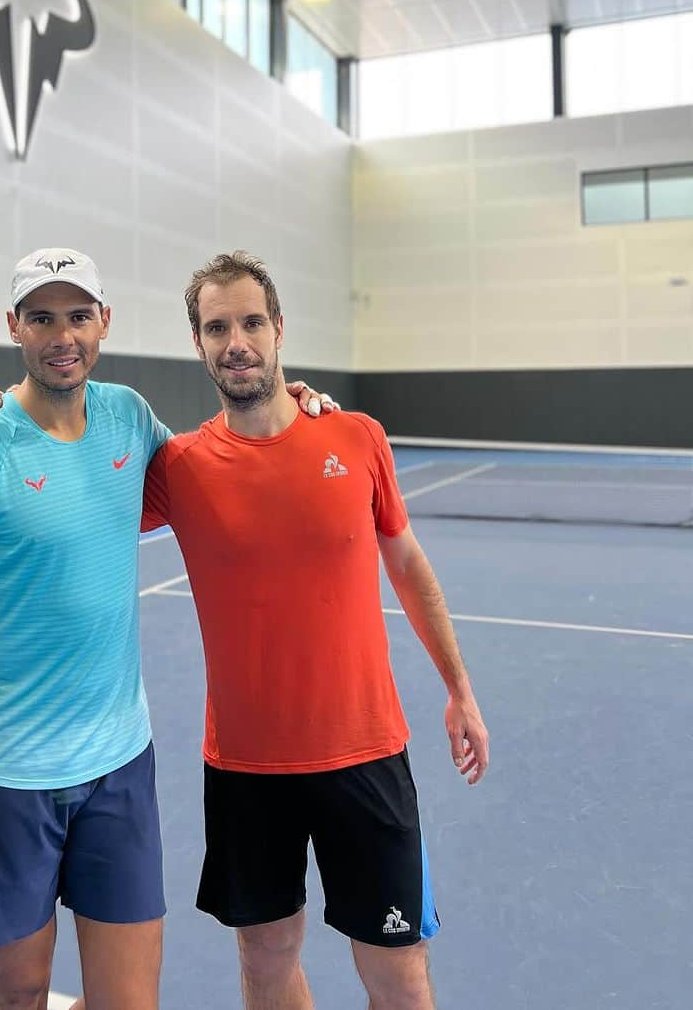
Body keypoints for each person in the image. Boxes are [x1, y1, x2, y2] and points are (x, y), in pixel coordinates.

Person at [0, 248, 333, 1010]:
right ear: (14, 328)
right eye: (41, 317)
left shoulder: (131, 419)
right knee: (20, 993)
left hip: (119, 772)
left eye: (76, 315)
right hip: (5, 777)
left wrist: (287, 405)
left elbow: (219, 463)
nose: (61, 334)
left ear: (104, 322)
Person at [139, 251, 490, 1010]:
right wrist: (13, 408)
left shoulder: (357, 437)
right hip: (244, 767)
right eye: (217, 326)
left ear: (280, 329)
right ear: (198, 344)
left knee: (400, 975)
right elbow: (70, 480)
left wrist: (459, 689)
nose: (237, 340)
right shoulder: (179, 467)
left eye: (251, 321)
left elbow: (408, 566)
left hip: (366, 755)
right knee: (266, 961)